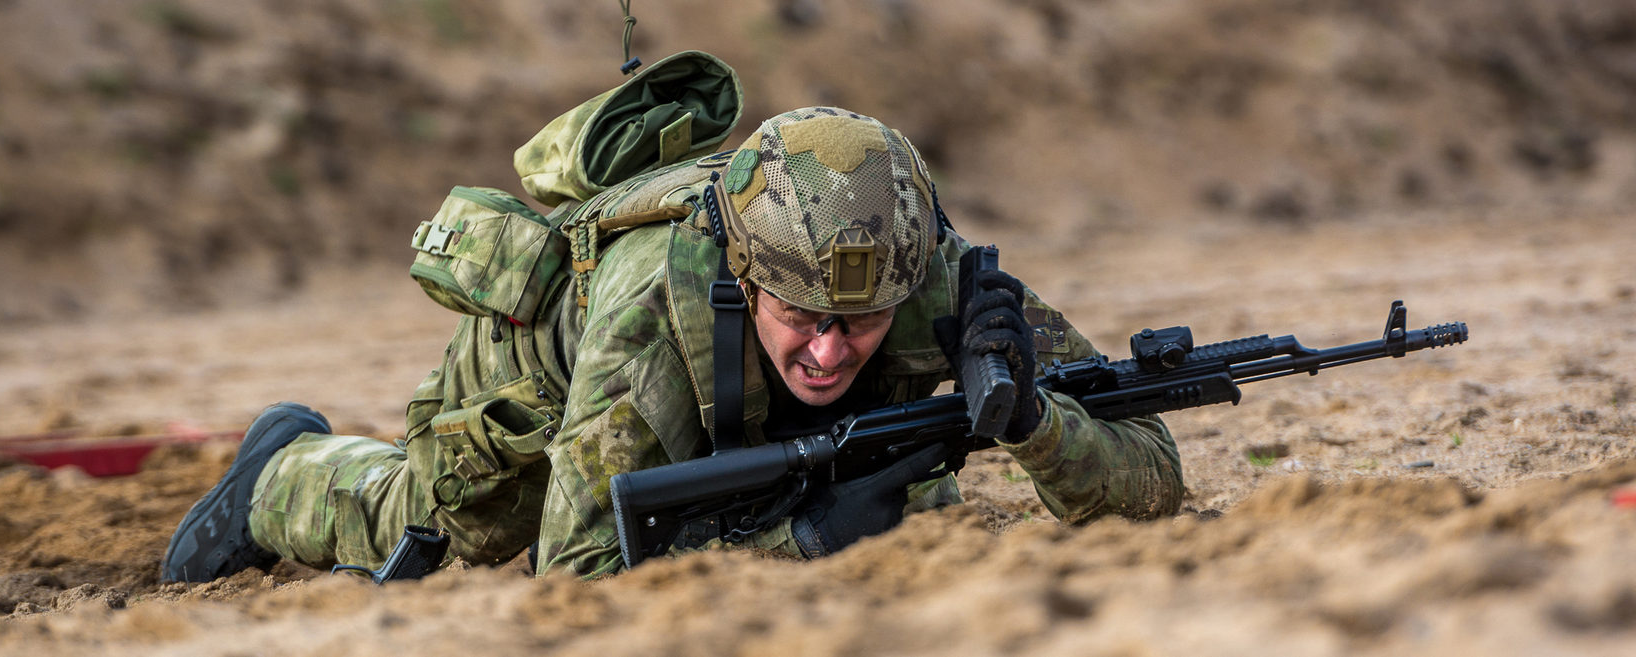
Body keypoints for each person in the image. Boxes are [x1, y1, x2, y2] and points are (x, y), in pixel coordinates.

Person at [162, 107, 1185, 582]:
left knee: (908, 482)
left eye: (860, 324)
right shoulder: (654, 308)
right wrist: (804, 543)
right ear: (747, 274)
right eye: (803, 318)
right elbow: (572, 576)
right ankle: (278, 470)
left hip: (733, 396)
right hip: (551, 376)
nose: (831, 351)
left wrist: (1038, 425)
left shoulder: (933, 275)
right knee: (448, 526)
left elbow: (1154, 480)